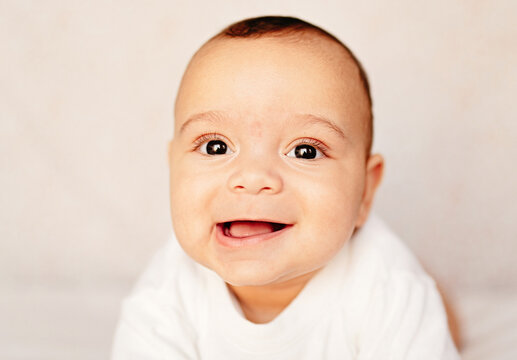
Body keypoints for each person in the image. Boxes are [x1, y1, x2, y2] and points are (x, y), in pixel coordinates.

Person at [111, 16, 460, 359]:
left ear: (365, 192)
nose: (252, 177)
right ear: (172, 167)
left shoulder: (389, 291)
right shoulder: (168, 291)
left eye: (304, 151)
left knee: (437, 318)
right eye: (215, 146)